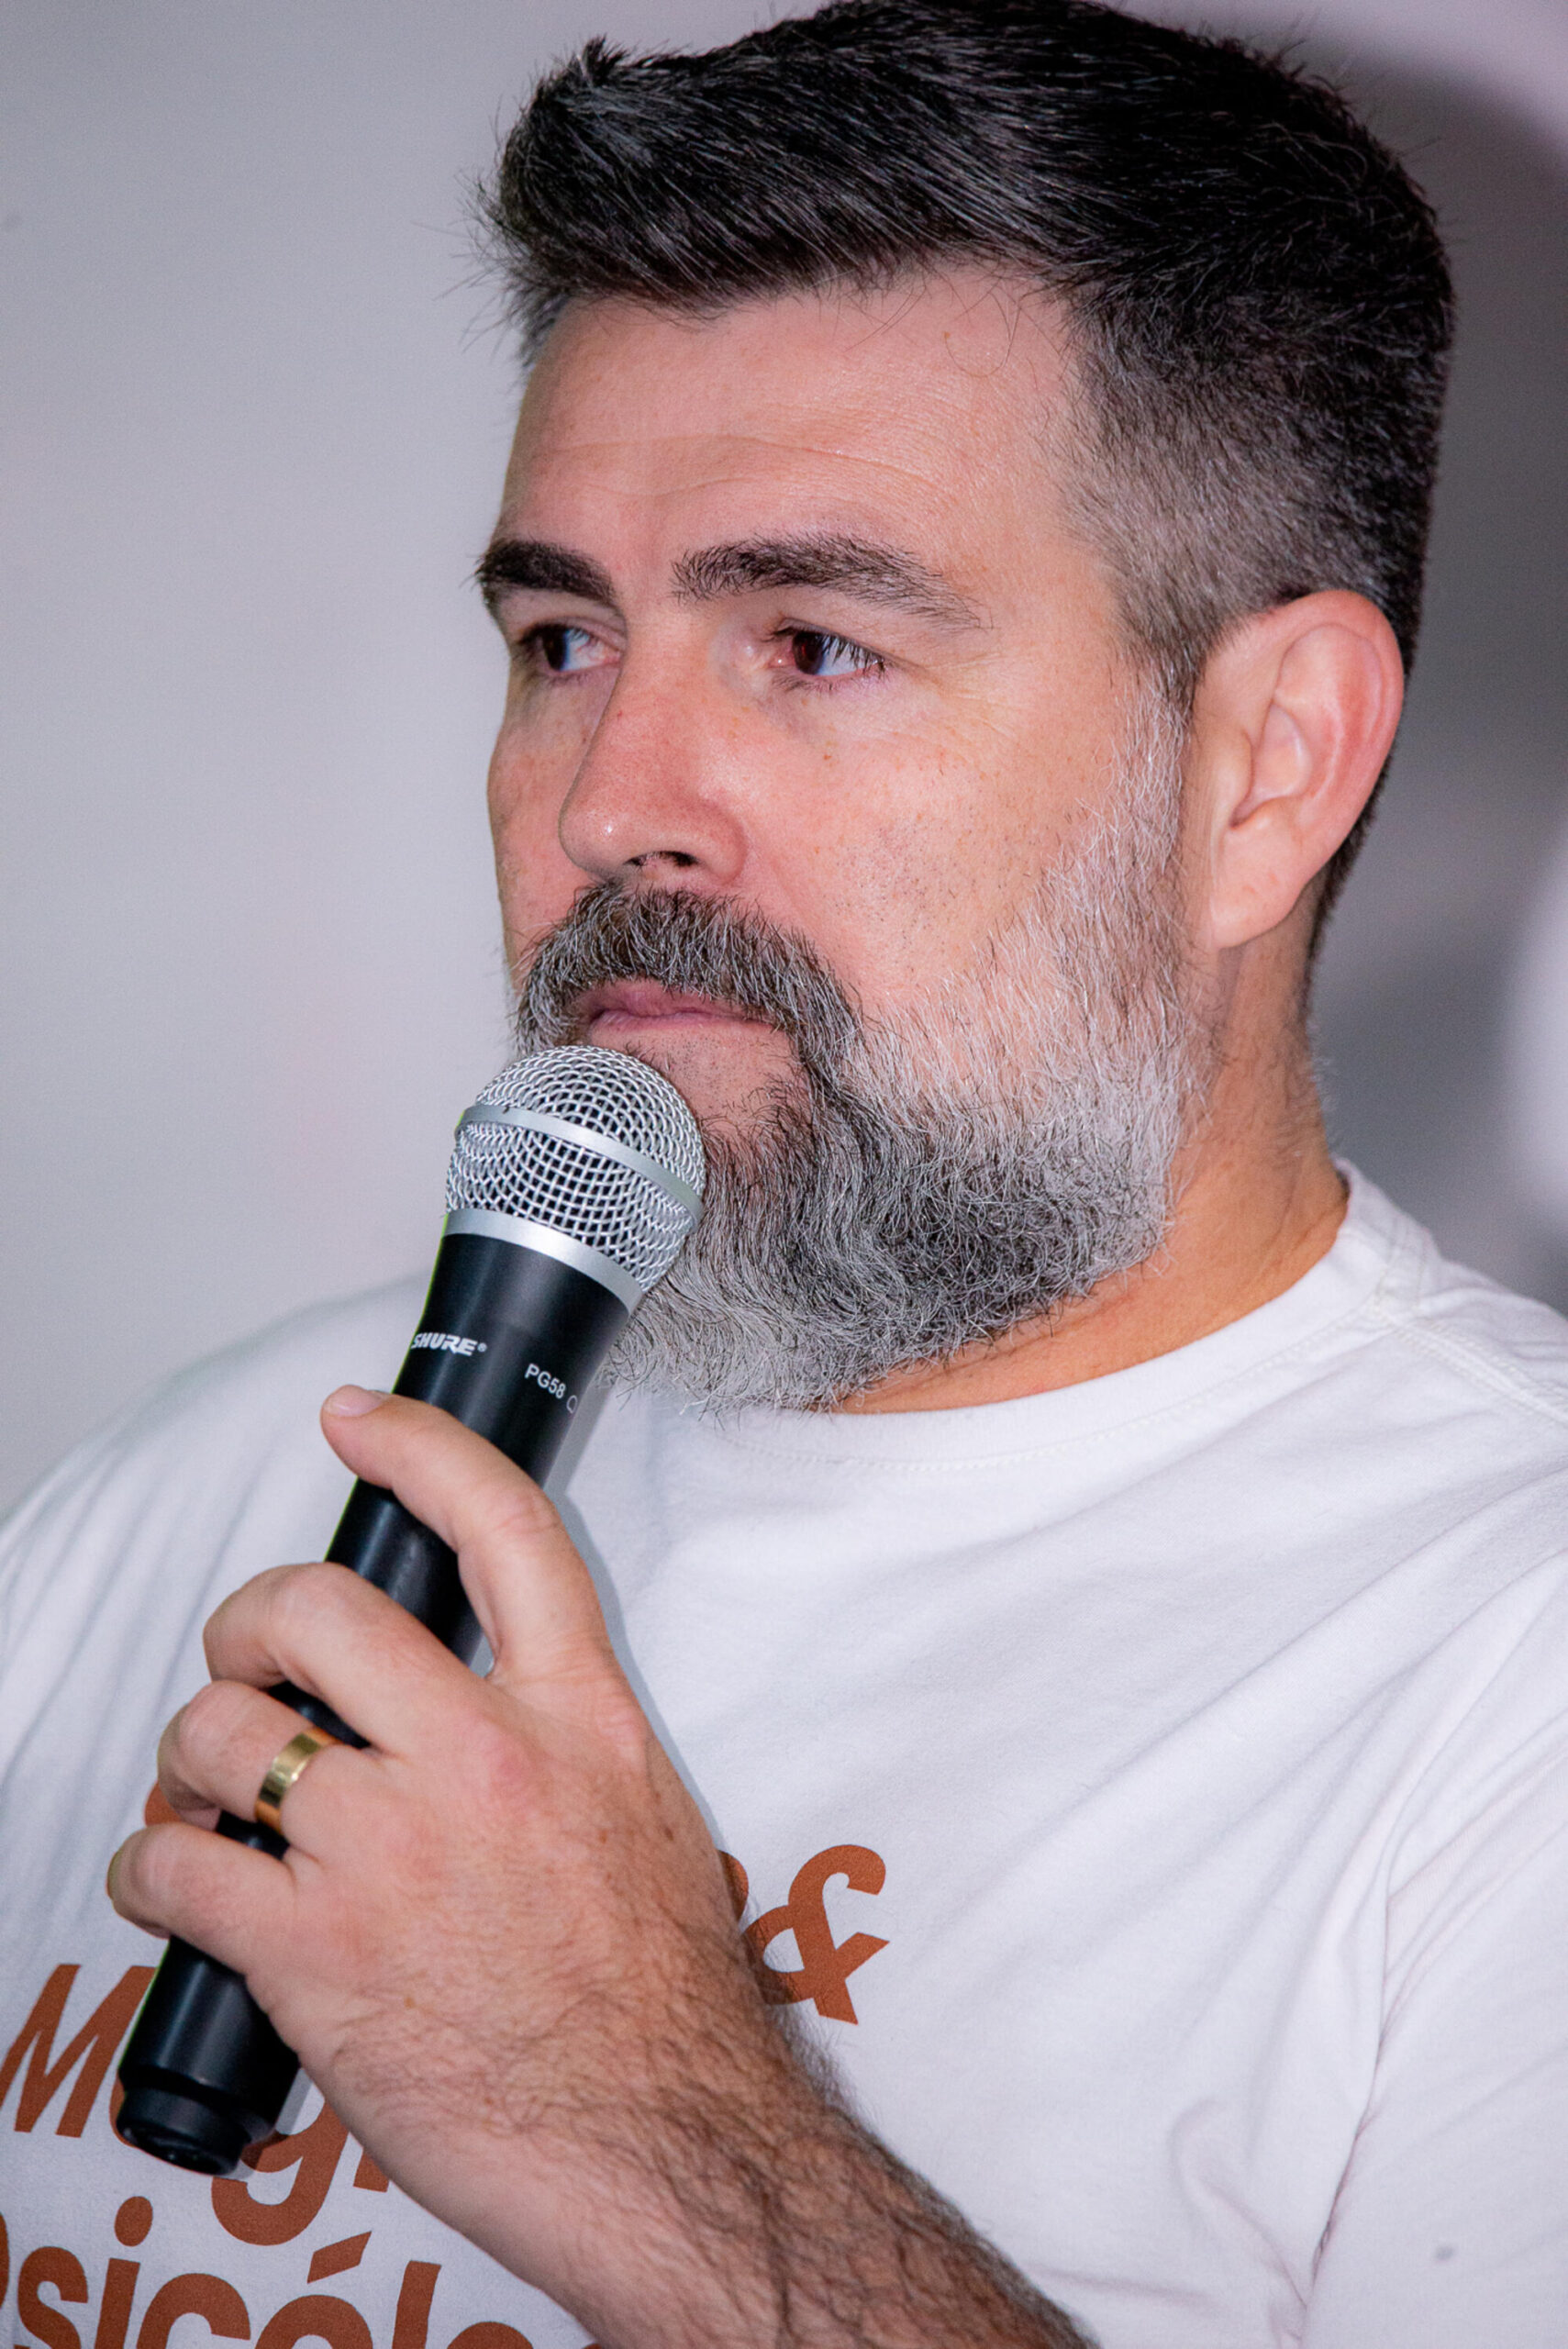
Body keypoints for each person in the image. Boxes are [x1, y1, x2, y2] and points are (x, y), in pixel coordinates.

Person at [3, 3, 1565, 2343]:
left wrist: (638, 2112)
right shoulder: (199, 1483)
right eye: (562, 636)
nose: (609, 800)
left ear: (1268, 763)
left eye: (813, 644)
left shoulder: (1504, 1671)